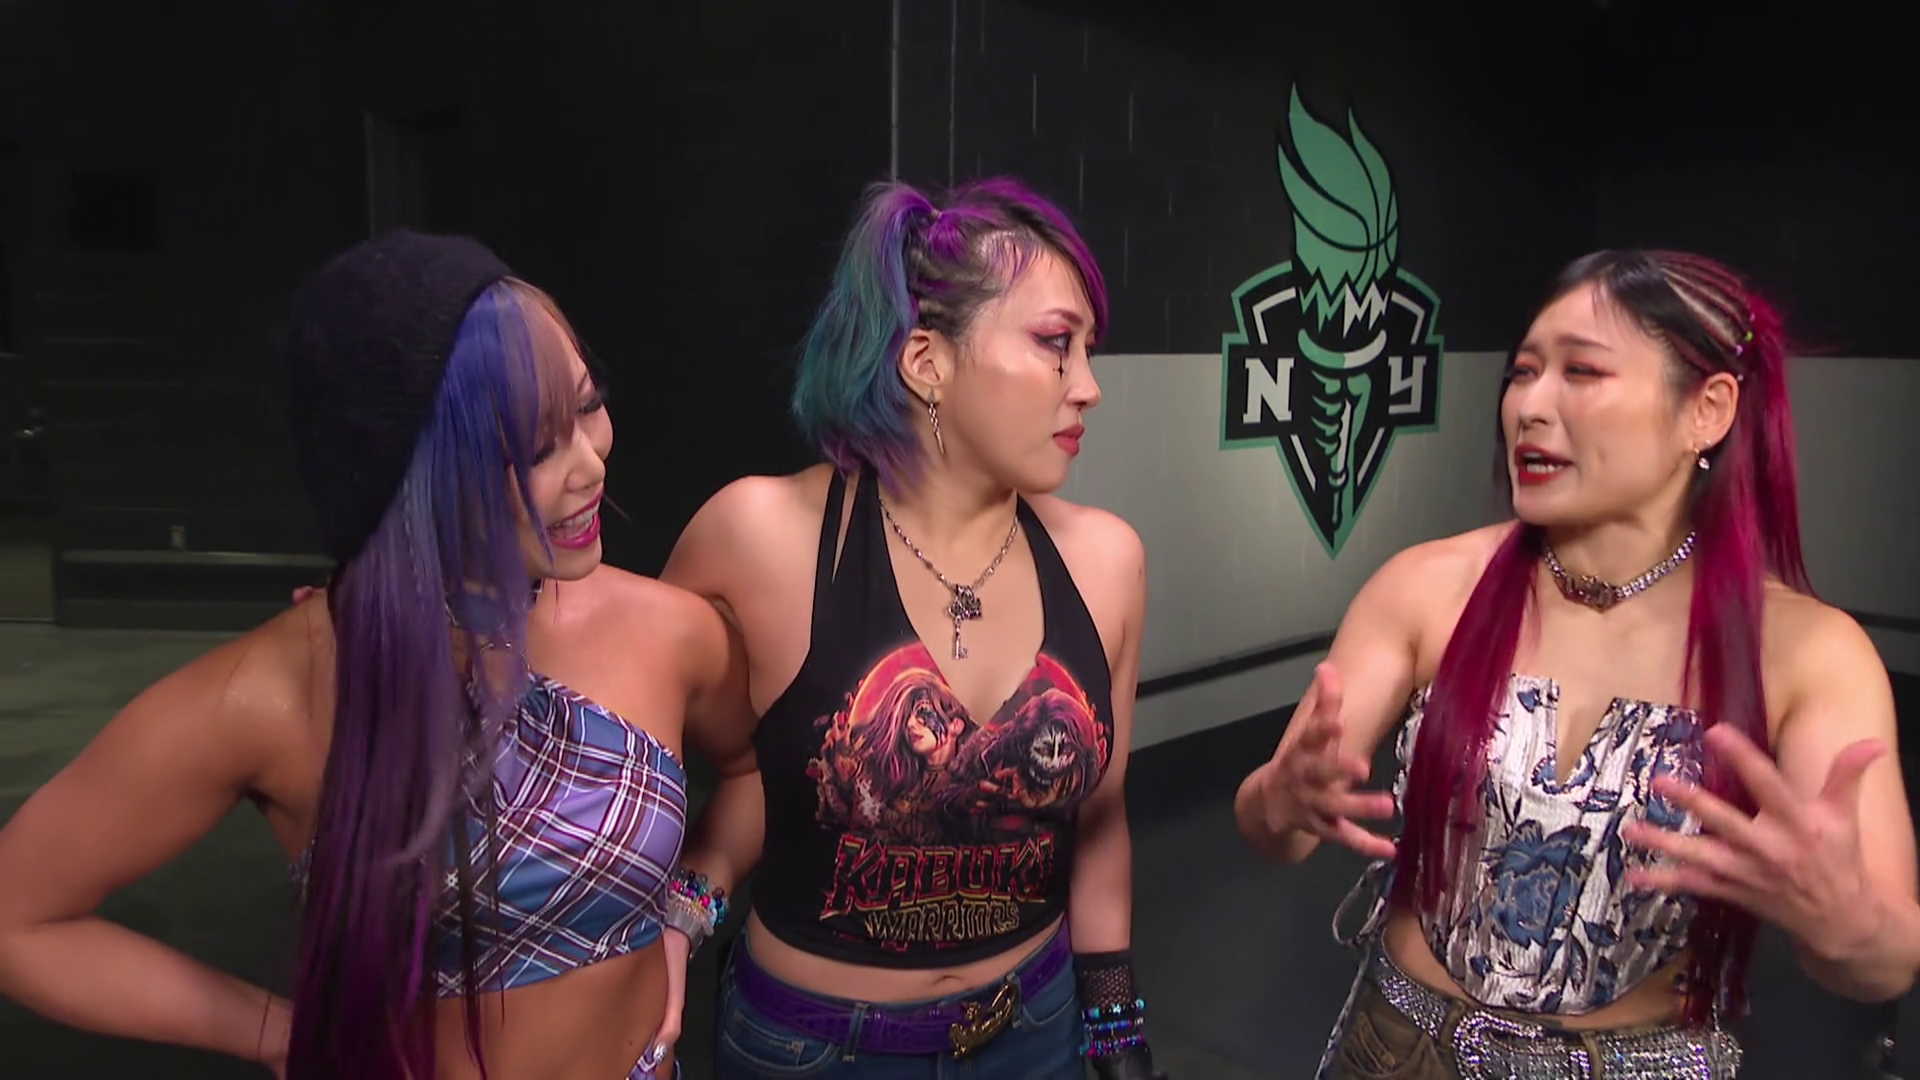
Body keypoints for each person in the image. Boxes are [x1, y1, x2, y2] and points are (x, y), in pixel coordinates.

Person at [0, 230, 745, 1080]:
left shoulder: (665, 628)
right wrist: (279, 1034)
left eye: (588, 404)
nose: (592, 462)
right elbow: (19, 917)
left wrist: (690, 908)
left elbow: (753, 772)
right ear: (409, 472)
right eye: (538, 447)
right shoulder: (275, 695)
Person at [1235, 250, 1920, 1079]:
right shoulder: (1427, 588)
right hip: (1397, 1052)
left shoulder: (1809, 652)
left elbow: (1888, 961)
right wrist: (1280, 800)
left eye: (1581, 373)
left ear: (1707, 411)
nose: (1529, 406)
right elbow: (1270, 831)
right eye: (1524, 372)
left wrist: (1850, 925)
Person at [655, 176, 1166, 1079]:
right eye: (1056, 343)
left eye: (1089, 351)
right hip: (815, 1051)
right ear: (927, 362)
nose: (1087, 387)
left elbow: (1100, 820)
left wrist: (1117, 1030)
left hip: (1034, 1031)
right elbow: (696, 772)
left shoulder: (1107, 562)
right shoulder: (760, 538)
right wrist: (677, 917)